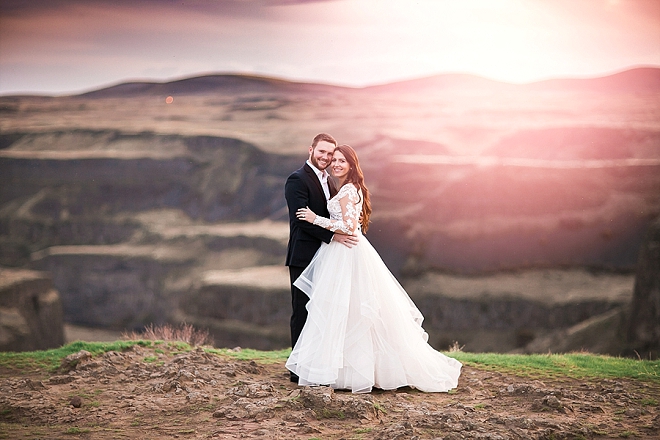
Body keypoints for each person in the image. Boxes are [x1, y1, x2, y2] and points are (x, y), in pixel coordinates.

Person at [286, 144, 462, 393]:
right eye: (333, 159)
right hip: (341, 252)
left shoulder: (348, 190)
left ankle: (356, 371)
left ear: (351, 165)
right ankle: (345, 370)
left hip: (347, 252)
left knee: (353, 311)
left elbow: (347, 227)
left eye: (341, 161)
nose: (335, 163)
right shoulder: (346, 187)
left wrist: (316, 219)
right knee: (346, 311)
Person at [285, 133, 358, 383]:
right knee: (302, 309)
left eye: (331, 154)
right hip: (304, 254)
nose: (327, 158)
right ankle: (298, 368)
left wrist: (336, 233)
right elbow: (300, 220)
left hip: (327, 257)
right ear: (311, 150)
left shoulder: (331, 181)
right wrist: (334, 237)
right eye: (322, 152)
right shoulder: (297, 179)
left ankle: (317, 363)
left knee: (324, 310)